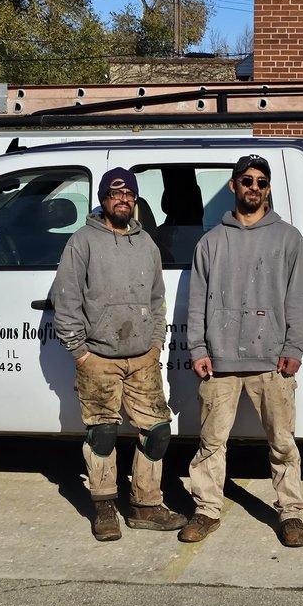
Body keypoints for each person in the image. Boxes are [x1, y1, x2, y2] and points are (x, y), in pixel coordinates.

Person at [180, 154, 303, 548]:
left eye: (261, 181)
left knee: (282, 442)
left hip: (272, 360)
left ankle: (290, 513)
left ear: (268, 189)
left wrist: (294, 346)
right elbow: (197, 298)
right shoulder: (211, 241)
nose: (253, 187)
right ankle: (206, 510)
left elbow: (299, 297)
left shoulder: (289, 239)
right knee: (211, 443)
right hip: (219, 362)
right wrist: (199, 347)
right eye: (246, 180)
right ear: (234, 186)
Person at [51, 167, 186, 541]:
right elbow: (66, 301)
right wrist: (80, 352)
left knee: (157, 432)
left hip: (142, 357)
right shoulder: (83, 242)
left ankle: (145, 505)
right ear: (103, 198)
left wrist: (156, 342)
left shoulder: (147, 245)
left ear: (136, 199)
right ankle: (105, 506)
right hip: (98, 358)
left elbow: (158, 300)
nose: (122, 199)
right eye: (115, 193)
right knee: (103, 434)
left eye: (129, 194)